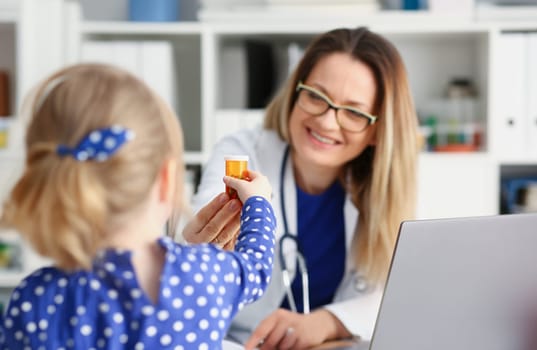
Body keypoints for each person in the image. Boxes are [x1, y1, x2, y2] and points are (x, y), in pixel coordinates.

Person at [0, 63, 276, 349]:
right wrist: (258, 203)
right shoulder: (206, 277)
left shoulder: (34, 300)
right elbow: (257, 266)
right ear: (168, 179)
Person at [183, 26, 420, 349]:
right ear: (296, 92)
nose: (326, 122)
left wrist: (326, 322)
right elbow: (196, 246)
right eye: (316, 96)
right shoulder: (243, 153)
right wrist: (202, 240)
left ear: (379, 130)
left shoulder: (385, 187)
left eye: (352, 112)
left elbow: (397, 291)